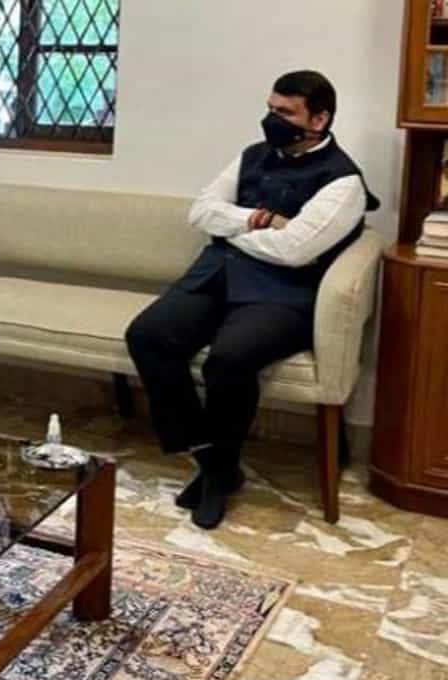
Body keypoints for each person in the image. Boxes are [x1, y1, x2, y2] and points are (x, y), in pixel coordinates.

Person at [125, 71, 380, 530]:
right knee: (148, 336)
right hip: (217, 275)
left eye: (285, 112)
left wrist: (232, 229)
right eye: (270, 108)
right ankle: (212, 460)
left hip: (284, 293)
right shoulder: (252, 156)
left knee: (229, 359)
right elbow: (201, 211)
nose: (272, 119)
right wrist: (262, 220)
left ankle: (217, 476)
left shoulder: (344, 183)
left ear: (319, 119)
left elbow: (295, 251)